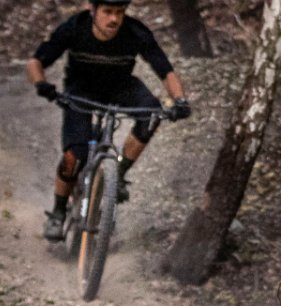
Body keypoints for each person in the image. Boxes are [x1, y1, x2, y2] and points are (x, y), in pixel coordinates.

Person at [28, 0, 191, 242]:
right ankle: (58, 212)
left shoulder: (135, 31)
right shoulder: (75, 27)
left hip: (121, 86)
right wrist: (41, 84)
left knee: (152, 114)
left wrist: (180, 101)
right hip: (81, 90)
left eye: (119, 12)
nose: (114, 19)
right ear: (93, 11)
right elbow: (36, 62)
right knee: (74, 156)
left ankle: (119, 174)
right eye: (107, 12)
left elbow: (165, 71)